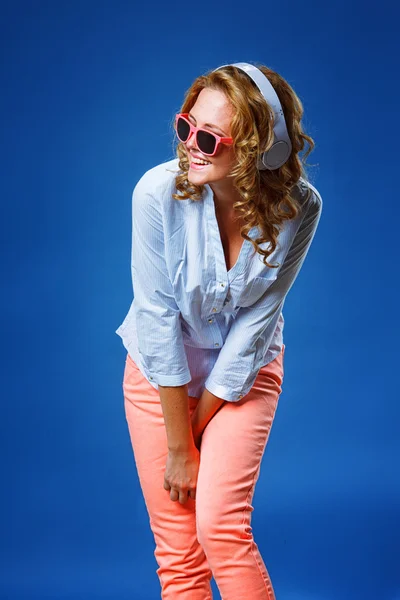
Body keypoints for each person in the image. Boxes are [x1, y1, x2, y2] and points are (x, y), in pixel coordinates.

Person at [116, 62, 323, 600]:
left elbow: (257, 324)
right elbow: (157, 319)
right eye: (186, 127)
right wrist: (179, 441)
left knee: (221, 528)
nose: (192, 146)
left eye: (211, 137)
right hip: (159, 377)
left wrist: (199, 425)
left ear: (258, 147)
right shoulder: (155, 194)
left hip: (243, 372)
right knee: (180, 552)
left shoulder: (299, 207)